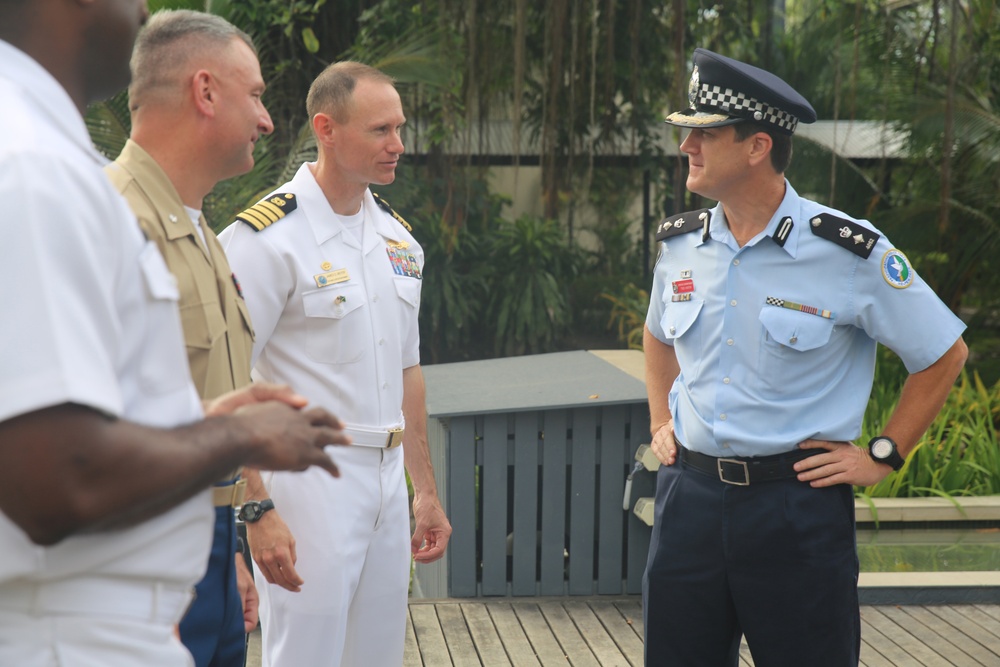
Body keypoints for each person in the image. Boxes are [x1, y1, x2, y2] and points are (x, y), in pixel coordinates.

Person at [0, 1, 350, 666]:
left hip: (152, 569)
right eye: (255, 95)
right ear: (205, 92)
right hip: (73, 620)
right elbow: (50, 474)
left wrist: (213, 432)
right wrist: (238, 435)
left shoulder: (72, 168)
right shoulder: (36, 166)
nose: (139, 10)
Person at [642, 48, 968, 667]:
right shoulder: (682, 245)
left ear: (757, 146)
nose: (687, 145)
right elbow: (658, 335)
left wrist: (884, 455)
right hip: (688, 501)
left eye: (704, 133)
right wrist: (662, 419)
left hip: (794, 506)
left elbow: (944, 354)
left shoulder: (848, 252)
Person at [218, 61, 452, 666]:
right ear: (326, 128)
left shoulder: (400, 242)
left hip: (385, 476)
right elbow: (225, 377)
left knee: (375, 657)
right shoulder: (268, 240)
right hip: (306, 476)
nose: (399, 144)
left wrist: (424, 492)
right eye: (380, 130)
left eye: (400, 127)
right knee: (306, 655)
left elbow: (408, 372)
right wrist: (256, 507)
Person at [103, 10, 273, 666]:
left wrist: (232, 543)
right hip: (141, 560)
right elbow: (83, 440)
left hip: (207, 542)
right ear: (205, 92)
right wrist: (138, 604)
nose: (266, 119)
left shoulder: (197, 229)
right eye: (255, 94)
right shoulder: (114, 223)